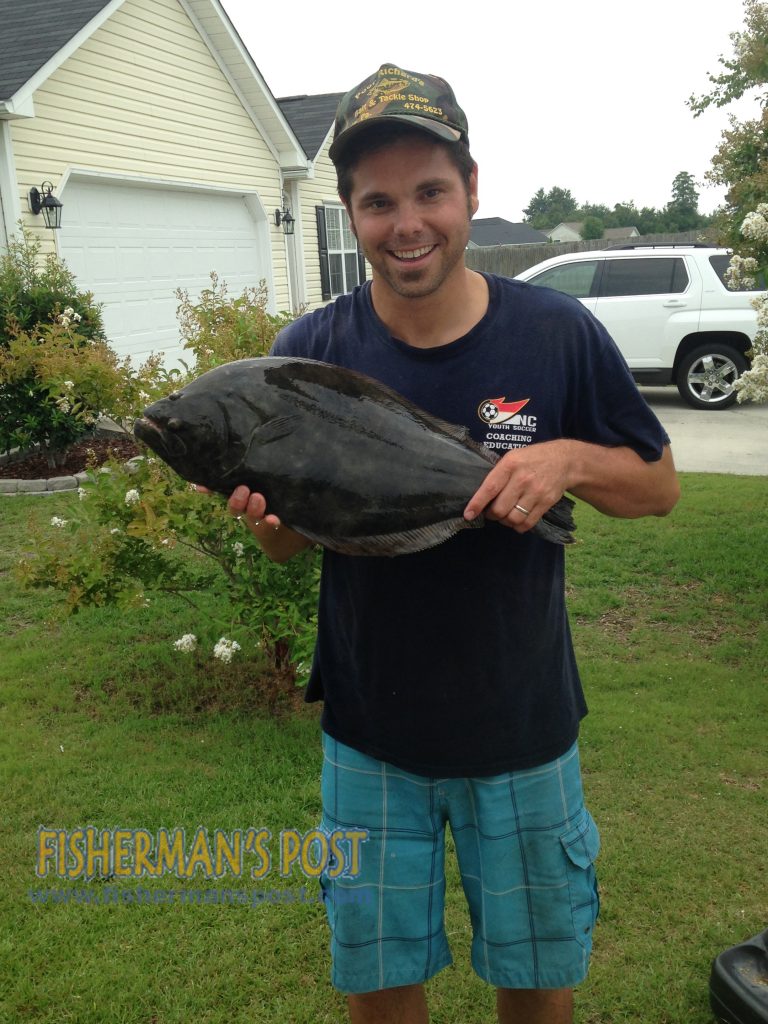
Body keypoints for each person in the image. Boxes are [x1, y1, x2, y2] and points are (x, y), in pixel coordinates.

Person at [226, 64, 680, 1024]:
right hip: (369, 733)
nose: (407, 224)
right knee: (381, 984)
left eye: (430, 192)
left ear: (471, 189)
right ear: (349, 213)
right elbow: (292, 548)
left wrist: (566, 460)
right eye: (377, 201)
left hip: (521, 729)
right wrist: (271, 528)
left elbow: (657, 485)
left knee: (533, 982)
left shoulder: (557, 334)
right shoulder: (308, 353)